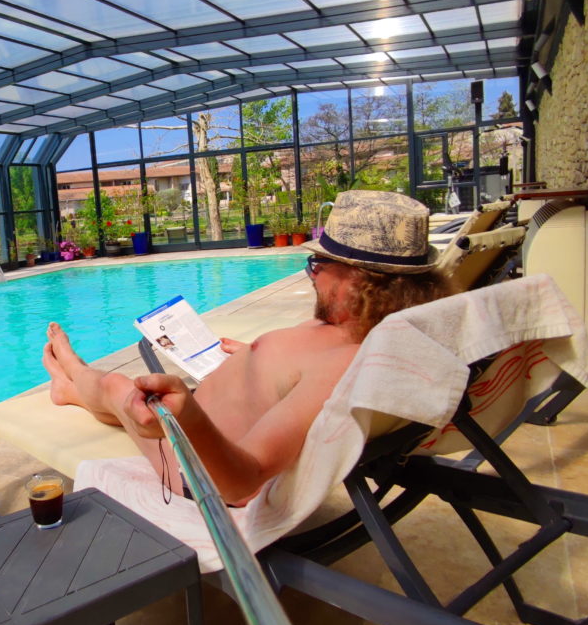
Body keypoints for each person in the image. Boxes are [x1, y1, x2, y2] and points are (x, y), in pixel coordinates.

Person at [42, 190, 449, 506]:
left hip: (196, 469)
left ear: (359, 282)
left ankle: (73, 376)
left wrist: (188, 411)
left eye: (319, 266)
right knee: (131, 403)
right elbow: (298, 384)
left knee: (117, 387)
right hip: (203, 422)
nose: (312, 276)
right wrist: (257, 358)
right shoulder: (363, 330)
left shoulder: (340, 368)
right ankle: (74, 389)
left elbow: (240, 483)